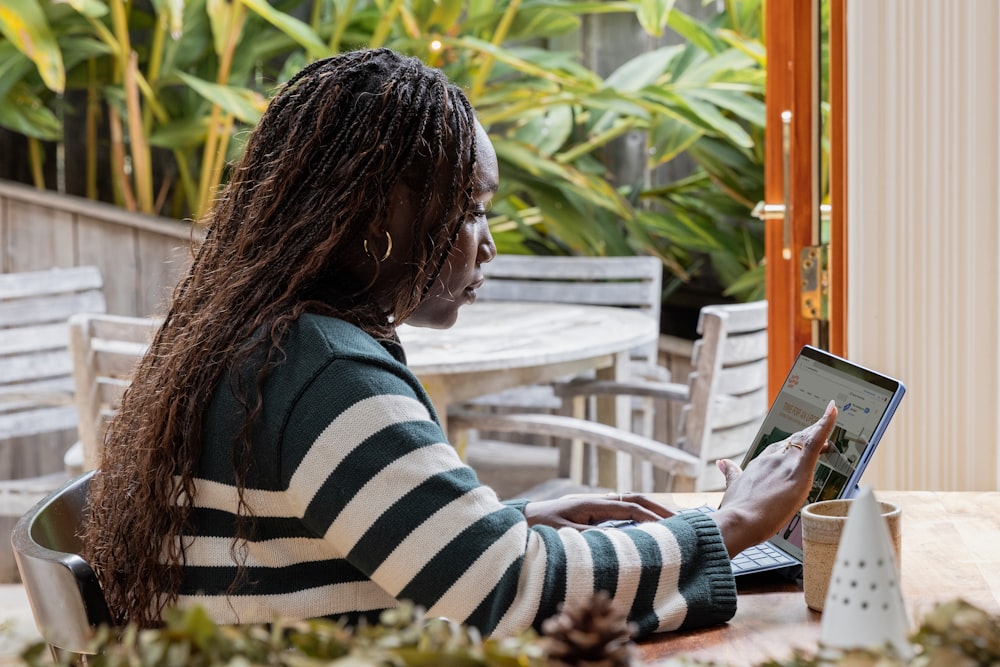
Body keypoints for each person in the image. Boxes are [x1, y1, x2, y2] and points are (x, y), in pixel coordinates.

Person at [83, 47, 837, 638]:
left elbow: (420, 554)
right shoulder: (324, 373)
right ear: (380, 215)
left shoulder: (264, 337)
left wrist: (504, 521)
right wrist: (732, 524)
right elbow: (510, 592)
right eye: (471, 211)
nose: (489, 245)